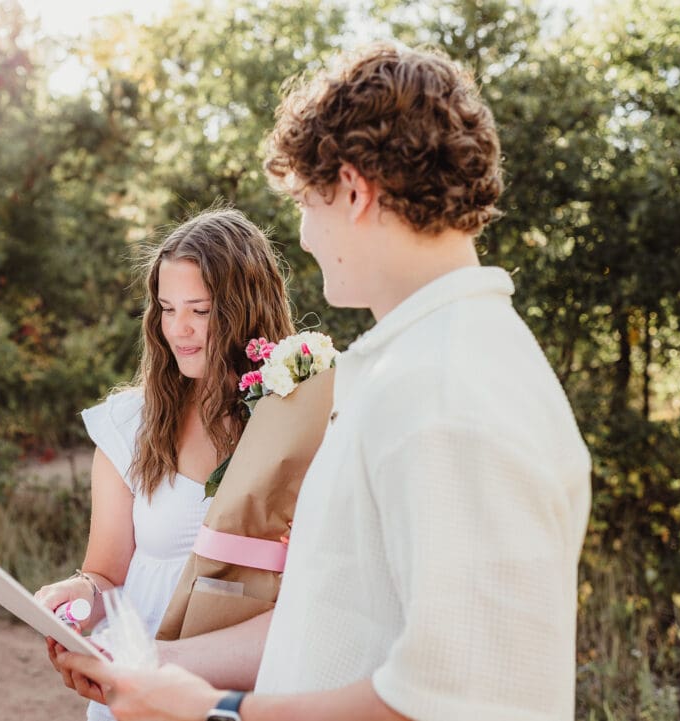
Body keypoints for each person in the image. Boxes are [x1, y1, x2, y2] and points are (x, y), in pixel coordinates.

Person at [54, 43, 592, 721]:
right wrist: (160, 667)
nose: (305, 236)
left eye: (308, 202)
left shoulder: (446, 393)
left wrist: (218, 709)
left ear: (354, 191)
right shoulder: (425, 365)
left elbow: (461, 702)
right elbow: (332, 622)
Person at [34, 207, 295, 721]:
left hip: (248, 698)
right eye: (166, 308)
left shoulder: (295, 423)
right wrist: (77, 595)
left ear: (248, 309)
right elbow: (106, 575)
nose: (179, 329)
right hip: (137, 698)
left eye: (201, 310)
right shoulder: (129, 425)